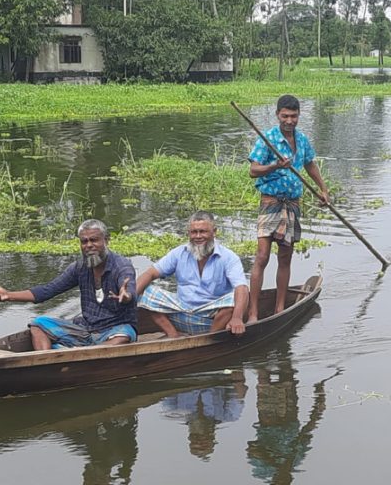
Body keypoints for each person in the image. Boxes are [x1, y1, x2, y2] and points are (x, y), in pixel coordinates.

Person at [0, 219, 137, 350]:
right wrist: (8, 295)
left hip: (116, 328)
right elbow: (47, 291)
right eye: (84, 241)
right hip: (86, 329)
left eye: (94, 240)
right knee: (38, 325)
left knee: (123, 337)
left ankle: (85, 353)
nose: (89, 245)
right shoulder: (80, 268)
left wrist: (126, 296)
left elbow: (128, 290)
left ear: (106, 240)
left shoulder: (121, 266)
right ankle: (47, 362)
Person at [247, 94, 329, 320]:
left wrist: (323, 189)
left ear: (299, 116)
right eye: (285, 116)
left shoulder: (301, 140)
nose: (289, 121)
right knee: (262, 256)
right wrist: (274, 166)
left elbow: (310, 163)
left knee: (285, 256)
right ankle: (253, 312)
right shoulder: (268, 139)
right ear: (277, 115)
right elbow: (253, 170)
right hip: (270, 203)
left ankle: (280, 309)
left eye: (294, 116)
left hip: (292, 205)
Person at [135, 211, 249, 338]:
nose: (198, 236)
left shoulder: (228, 257)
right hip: (181, 311)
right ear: (188, 233)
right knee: (146, 291)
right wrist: (130, 296)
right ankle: (173, 335)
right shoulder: (179, 253)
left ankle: (210, 339)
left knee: (235, 297)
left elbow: (241, 287)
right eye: (194, 232)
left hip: (211, 318)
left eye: (203, 231)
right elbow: (151, 273)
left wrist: (237, 318)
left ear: (214, 232)